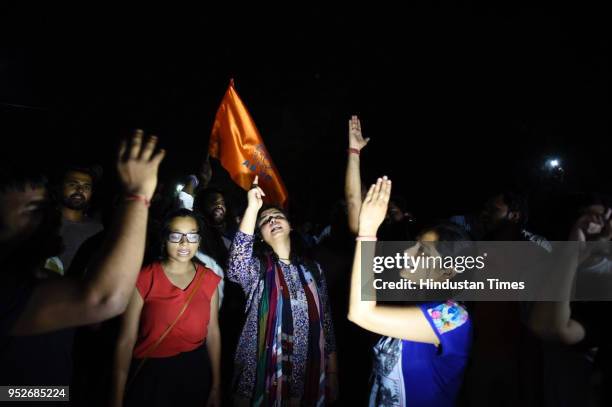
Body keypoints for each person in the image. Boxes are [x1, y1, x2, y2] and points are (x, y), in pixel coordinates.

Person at [0, 130, 164, 387]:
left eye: (46, 206)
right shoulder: (7, 288)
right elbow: (104, 297)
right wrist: (138, 194)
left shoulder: (43, 272)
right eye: (32, 210)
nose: (47, 217)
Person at [348, 177, 472, 407]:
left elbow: (361, 313)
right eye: (414, 244)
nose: (407, 253)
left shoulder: (453, 317)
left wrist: (367, 232)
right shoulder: (408, 300)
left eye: (422, 251)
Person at [227, 176, 338, 406]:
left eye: (278, 216)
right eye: (265, 220)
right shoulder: (258, 269)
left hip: (305, 370)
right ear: (260, 234)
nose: (273, 220)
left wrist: (333, 372)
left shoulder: (313, 270)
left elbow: (326, 320)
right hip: (259, 371)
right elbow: (236, 267)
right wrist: (252, 209)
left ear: (290, 225)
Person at [111, 209, 221, 407]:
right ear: (164, 238)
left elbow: (213, 332)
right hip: (152, 374)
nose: (184, 243)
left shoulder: (209, 278)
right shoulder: (144, 277)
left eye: (192, 235)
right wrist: (117, 397)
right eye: (176, 235)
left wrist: (216, 385)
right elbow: (126, 340)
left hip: (195, 372)